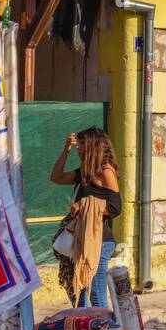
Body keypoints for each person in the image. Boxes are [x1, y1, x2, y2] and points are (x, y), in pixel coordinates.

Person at [50, 127, 121, 308]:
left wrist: (83, 205)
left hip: (99, 240)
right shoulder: (86, 171)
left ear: (92, 146)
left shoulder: (106, 171)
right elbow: (56, 177)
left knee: (96, 293)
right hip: (82, 238)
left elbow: (115, 206)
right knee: (79, 290)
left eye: (81, 144)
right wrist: (65, 150)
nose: (78, 148)